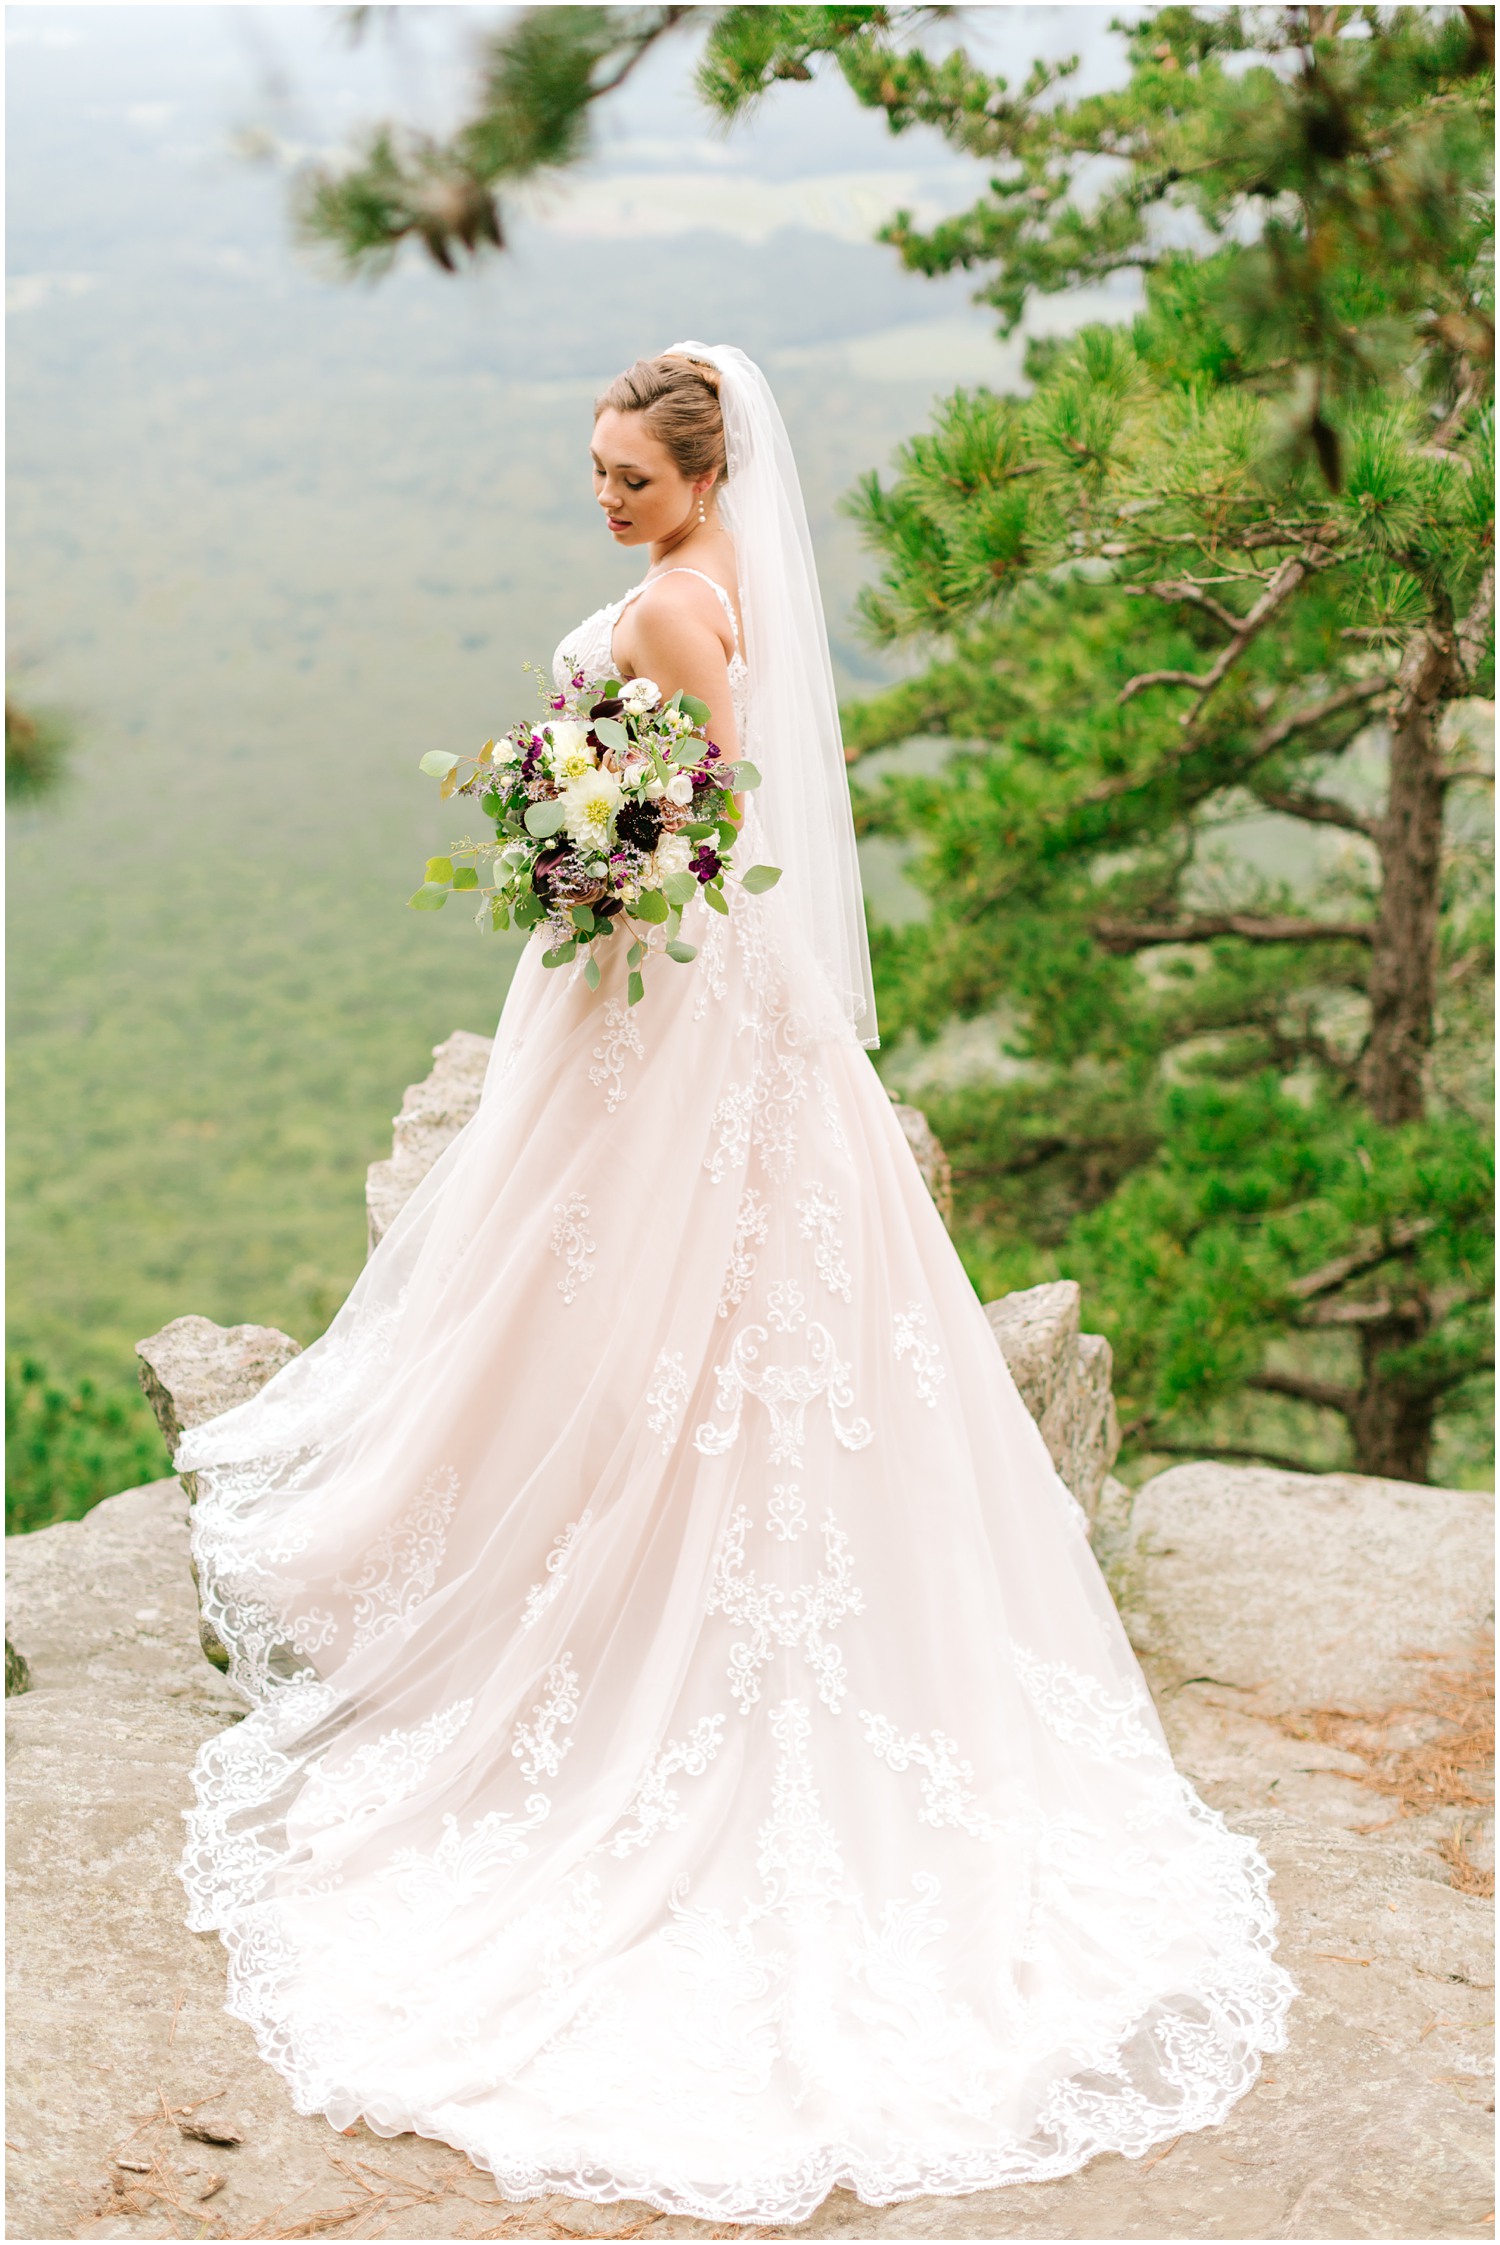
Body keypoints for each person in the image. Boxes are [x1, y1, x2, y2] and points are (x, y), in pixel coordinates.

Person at [176, 343, 1293, 2226]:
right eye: (595, 467)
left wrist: (583, 849)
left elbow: (701, 826)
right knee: (609, 1292)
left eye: (630, 473)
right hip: (663, 976)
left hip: (665, 987)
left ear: (702, 475)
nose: (603, 495)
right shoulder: (719, 574)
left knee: (654, 1295)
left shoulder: (686, 608)